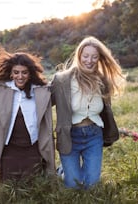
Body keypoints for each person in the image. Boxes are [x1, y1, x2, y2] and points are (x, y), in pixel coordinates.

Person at [51, 36, 126, 189]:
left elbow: (106, 111)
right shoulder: (62, 80)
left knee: (91, 186)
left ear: (99, 59)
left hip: (94, 135)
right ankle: (63, 171)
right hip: (69, 136)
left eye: (94, 57)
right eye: (86, 56)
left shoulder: (102, 81)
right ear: (79, 56)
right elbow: (44, 101)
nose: (89, 60)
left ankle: (74, 171)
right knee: (74, 186)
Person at [0, 51, 55, 182]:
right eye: (16, 72)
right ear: (11, 73)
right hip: (9, 148)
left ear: (30, 73)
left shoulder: (41, 90)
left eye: (24, 72)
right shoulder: (0, 89)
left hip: (33, 148)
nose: (20, 76)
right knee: (9, 187)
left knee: (32, 187)